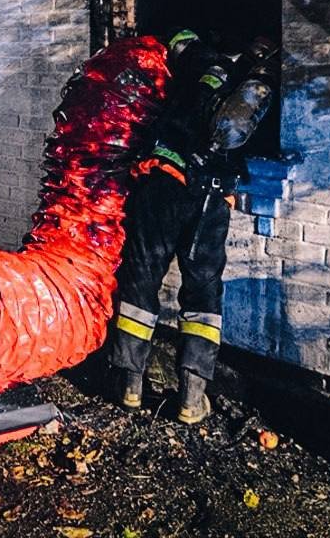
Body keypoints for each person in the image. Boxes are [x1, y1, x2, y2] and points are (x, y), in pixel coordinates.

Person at [109, 29, 279, 423]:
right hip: (212, 195)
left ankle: (130, 385)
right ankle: (191, 397)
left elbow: (179, 47)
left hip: (164, 180)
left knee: (142, 276)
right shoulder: (257, 86)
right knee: (203, 291)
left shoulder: (202, 62)